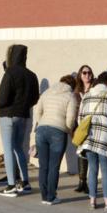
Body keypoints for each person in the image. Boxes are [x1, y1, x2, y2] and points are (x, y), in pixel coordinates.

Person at [0, 44, 40, 197]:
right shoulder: (32, 75)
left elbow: (2, 98)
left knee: (8, 149)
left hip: (7, 115)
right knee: (18, 148)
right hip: (23, 115)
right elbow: (35, 98)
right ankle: (25, 182)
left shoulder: (10, 73)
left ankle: (11, 184)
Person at [78, 72, 107, 210]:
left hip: (89, 137)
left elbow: (80, 118)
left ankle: (92, 201)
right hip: (105, 137)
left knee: (92, 168)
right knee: (105, 168)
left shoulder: (87, 96)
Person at [34, 75, 78, 205]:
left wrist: (41, 122)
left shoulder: (47, 92)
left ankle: (44, 196)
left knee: (43, 166)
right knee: (54, 166)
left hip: (41, 130)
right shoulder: (70, 96)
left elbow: (37, 112)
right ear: (72, 85)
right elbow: (70, 119)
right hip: (58, 131)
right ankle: (51, 197)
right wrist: (68, 130)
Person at [72, 65, 95, 194]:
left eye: (89, 72)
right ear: (80, 75)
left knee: (91, 154)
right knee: (81, 153)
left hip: (92, 126)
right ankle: (82, 182)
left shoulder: (95, 89)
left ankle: (90, 182)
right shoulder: (77, 91)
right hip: (80, 127)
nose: (87, 75)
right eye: (84, 73)